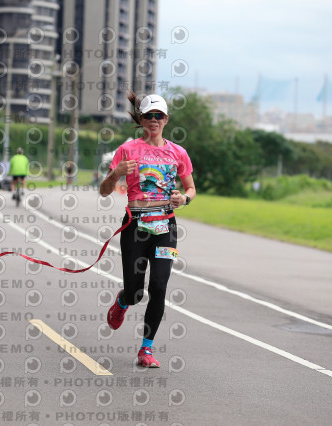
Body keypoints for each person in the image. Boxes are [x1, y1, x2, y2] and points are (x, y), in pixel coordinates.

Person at [99, 93, 196, 368]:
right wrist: (116, 173)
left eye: (159, 116)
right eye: (149, 116)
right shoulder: (127, 150)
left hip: (166, 226)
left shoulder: (178, 152)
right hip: (135, 226)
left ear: (166, 119)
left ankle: (146, 349)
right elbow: (104, 192)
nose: (154, 121)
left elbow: (191, 188)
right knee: (136, 291)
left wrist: (184, 199)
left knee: (159, 286)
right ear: (141, 119)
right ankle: (123, 300)